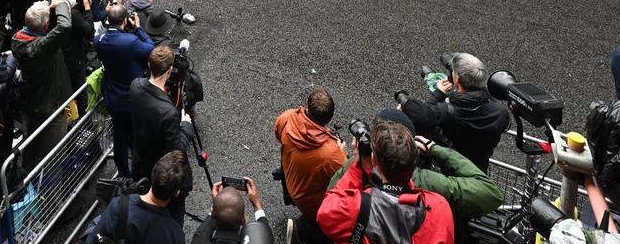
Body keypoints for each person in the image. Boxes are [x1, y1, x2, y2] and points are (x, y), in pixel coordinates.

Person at [327, 109, 503, 224]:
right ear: (414, 150)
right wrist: (436, 149)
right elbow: (491, 193)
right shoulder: (433, 188)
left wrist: (358, 163)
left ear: (375, 155)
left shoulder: (356, 168)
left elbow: (328, 206)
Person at [317, 119, 455, 244]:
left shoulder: (357, 208)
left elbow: (324, 213)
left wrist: (358, 167)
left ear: (374, 160)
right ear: (414, 163)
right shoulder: (440, 206)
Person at [399, 53, 509, 171]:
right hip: (479, 170)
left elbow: (425, 117)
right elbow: (485, 96)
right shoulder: (502, 113)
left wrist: (438, 93)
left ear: (456, 78)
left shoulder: (447, 112)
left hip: (452, 171)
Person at [130, 45, 193, 225]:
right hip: (162, 174)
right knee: (172, 219)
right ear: (169, 71)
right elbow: (176, 151)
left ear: (149, 65)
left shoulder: (135, 86)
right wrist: (186, 128)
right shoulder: (168, 113)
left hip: (141, 162)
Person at [11, 0, 73, 171]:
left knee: (31, 147)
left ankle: (26, 187)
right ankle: (53, 196)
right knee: (55, 155)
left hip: (31, 102)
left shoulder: (17, 39)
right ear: (45, 26)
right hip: (50, 106)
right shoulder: (40, 46)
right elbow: (64, 27)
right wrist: (62, 4)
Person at [274, 89, 346, 231]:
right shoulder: (331, 153)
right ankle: (302, 231)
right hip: (312, 204)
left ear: (307, 107)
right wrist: (341, 150)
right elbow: (345, 178)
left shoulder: (286, 118)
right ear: (329, 119)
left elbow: (278, 136)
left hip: (291, 184)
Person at [96, 4, 155, 178]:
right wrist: (138, 29)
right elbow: (151, 48)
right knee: (137, 136)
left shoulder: (98, 40)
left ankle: (123, 173)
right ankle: (139, 173)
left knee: (119, 137)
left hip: (113, 98)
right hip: (133, 99)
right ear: (124, 21)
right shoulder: (131, 42)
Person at [92, 151, 189, 244]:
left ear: (153, 175)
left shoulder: (118, 206)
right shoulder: (174, 235)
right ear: (177, 193)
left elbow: (94, 239)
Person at [191, 178, 272, 244]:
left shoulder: (198, 240)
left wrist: (217, 203)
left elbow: (201, 234)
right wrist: (257, 205)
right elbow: (265, 236)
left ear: (213, 214)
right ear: (244, 220)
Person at [55, 0, 94, 108]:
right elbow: (88, 31)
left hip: (57, 56)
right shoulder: (72, 13)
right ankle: (81, 120)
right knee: (79, 90)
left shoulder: (50, 5)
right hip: (73, 58)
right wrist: (88, 9)